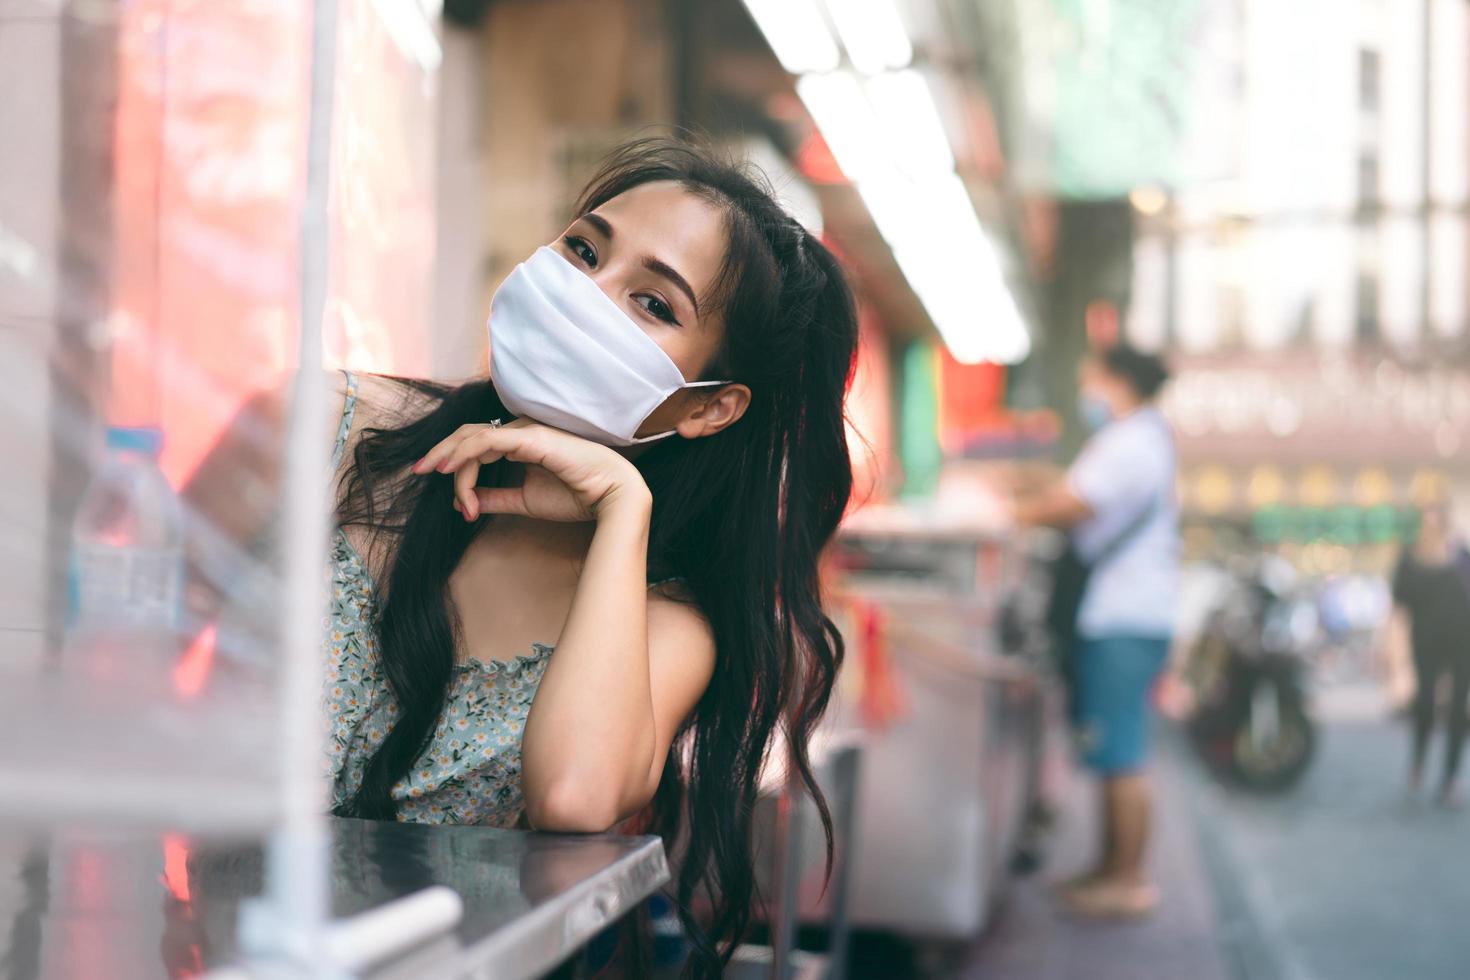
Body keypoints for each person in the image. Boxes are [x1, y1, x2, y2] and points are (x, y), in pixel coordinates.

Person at [183, 138, 859, 974]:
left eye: (652, 304)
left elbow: (574, 798)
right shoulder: (317, 426)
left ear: (709, 409)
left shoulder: (669, 619)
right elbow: (112, 655)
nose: (585, 292)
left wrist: (620, 507)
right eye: (583, 249)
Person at [1012, 343, 1179, 919]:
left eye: (1091, 380)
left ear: (1117, 381)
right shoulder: (1139, 439)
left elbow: (1074, 501)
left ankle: (1128, 880)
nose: (1088, 393)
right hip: (1128, 614)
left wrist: (1005, 512)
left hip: (1123, 617)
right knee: (1114, 750)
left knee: (1123, 754)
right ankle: (1111, 869)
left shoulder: (1133, 442)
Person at [1389, 502, 1470, 806]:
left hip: (1463, 642)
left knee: (1458, 710)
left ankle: (1449, 778)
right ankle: (1418, 767)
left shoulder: (1461, 558)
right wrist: (1395, 661)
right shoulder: (1410, 562)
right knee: (1425, 705)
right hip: (1426, 642)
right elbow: (1398, 611)